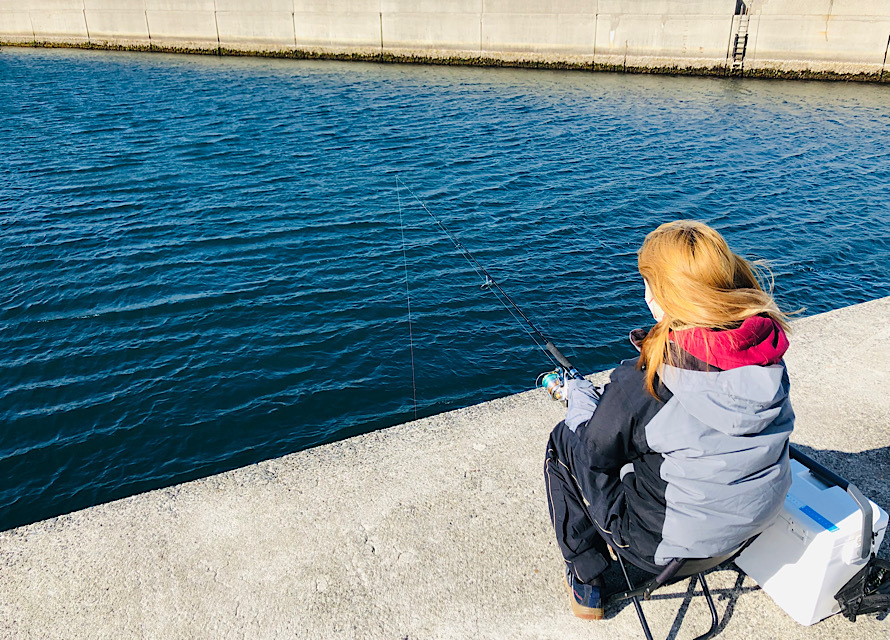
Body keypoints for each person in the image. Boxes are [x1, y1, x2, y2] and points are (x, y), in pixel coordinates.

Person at [545, 220, 794, 620]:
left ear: (664, 296)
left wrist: (579, 398)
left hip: (664, 549)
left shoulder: (647, 380)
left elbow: (594, 452)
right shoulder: (765, 350)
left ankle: (587, 582)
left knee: (562, 443)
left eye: (649, 283)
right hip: (756, 521)